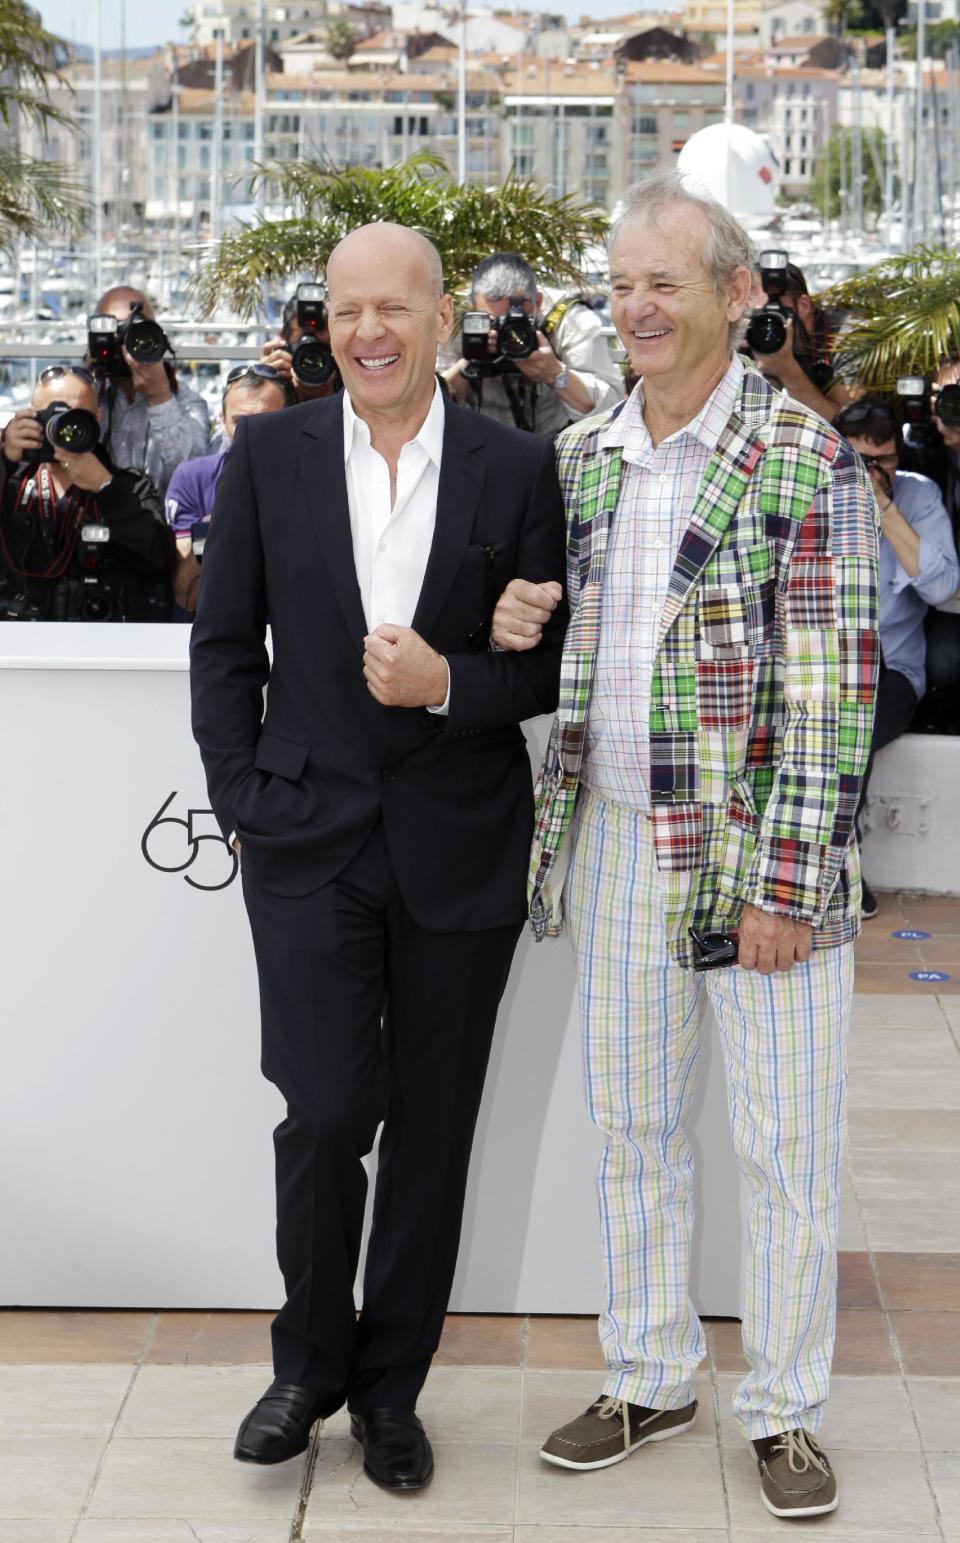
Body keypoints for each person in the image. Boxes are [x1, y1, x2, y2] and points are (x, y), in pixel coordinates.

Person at [493, 172, 879, 1521]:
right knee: (635, 1130)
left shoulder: (801, 455)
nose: (638, 303)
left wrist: (788, 880)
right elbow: (559, 639)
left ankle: (784, 1404)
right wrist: (511, 619)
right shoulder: (584, 456)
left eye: (666, 280)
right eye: (624, 282)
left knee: (785, 1144)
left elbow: (834, 685)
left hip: (758, 852)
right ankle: (651, 1373)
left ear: (734, 295)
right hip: (612, 843)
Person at [189, 221, 566, 1489]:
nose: (367, 332)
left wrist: (450, 680)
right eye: (346, 309)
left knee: (435, 1132)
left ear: (441, 318)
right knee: (328, 1108)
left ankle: (390, 1394)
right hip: (306, 840)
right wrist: (243, 794)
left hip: (461, 847)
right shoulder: (268, 452)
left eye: (393, 307)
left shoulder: (520, 469)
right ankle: (309, 1364)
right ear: (325, 324)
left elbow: (544, 663)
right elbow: (225, 645)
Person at [834, 397, 960, 916]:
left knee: (851, 731)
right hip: (818, 659)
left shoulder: (918, 494)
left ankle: (842, 863)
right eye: (859, 460)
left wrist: (885, 506)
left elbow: (944, 588)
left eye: (882, 460)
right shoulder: (811, 492)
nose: (872, 471)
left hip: (890, 666)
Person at [0, 364, 176, 620]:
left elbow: (159, 557)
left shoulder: (129, 487)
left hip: (102, 640)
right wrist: (4, 458)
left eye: (78, 415)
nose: (66, 428)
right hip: (18, 640)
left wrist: (106, 489)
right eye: (54, 414)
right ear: (30, 418)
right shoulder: (11, 482)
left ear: (98, 417)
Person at [441, 252, 622, 436]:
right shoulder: (458, 318)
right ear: (473, 306)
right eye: (492, 322)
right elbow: (430, 405)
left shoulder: (568, 320)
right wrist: (471, 359)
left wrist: (555, 373)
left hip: (553, 441)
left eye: (514, 321)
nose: (506, 333)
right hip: (477, 439)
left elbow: (612, 407)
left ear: (538, 302)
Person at [165, 364, 292, 618]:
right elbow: (187, 596)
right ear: (222, 422)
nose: (253, 432)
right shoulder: (192, 478)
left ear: (288, 419)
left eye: (266, 420)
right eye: (240, 422)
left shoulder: (314, 477)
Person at [90, 286, 210, 496]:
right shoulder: (88, 396)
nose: (125, 347)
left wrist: (160, 398)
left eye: (135, 333)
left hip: (160, 526)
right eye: (114, 333)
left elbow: (194, 478)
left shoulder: (187, 403)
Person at [747, 259, 851, 425]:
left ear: (803, 305)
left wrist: (786, 369)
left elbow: (846, 425)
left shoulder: (844, 337)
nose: (769, 325)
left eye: (776, 313)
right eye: (759, 316)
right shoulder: (750, 337)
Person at [259, 290, 342, 403]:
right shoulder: (278, 378)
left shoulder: (353, 384)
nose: (311, 359)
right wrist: (264, 384)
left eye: (321, 347)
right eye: (301, 345)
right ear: (283, 342)